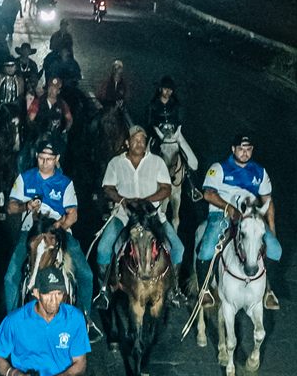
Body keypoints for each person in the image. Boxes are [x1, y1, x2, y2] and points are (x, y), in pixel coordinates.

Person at [3, 138, 98, 332]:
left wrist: (59, 226)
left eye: (49, 158)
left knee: (86, 274)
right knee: (10, 276)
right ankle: (12, 322)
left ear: (57, 159)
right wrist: (26, 206)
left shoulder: (65, 183)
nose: (44, 162)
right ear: (36, 157)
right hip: (31, 231)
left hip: (57, 231)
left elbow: (73, 215)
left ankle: (84, 319)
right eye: (41, 158)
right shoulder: (25, 178)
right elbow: (11, 207)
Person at [197, 132, 282, 309]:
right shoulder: (218, 168)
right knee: (206, 249)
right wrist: (230, 209)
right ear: (233, 149)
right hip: (222, 214)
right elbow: (208, 194)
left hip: (251, 216)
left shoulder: (260, 171)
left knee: (275, 249)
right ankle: (204, 289)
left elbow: (267, 200)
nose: (245, 153)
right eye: (241, 149)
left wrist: (272, 228)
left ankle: (268, 290)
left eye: (248, 149)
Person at [95, 127, 184, 294]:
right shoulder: (116, 163)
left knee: (178, 247)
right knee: (103, 248)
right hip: (124, 216)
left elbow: (166, 188)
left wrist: (147, 200)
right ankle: (104, 291)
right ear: (127, 142)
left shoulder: (157, 162)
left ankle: (174, 290)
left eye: (142, 140)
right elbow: (108, 188)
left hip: (152, 216)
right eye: (135, 140)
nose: (139, 143)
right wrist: (124, 200)